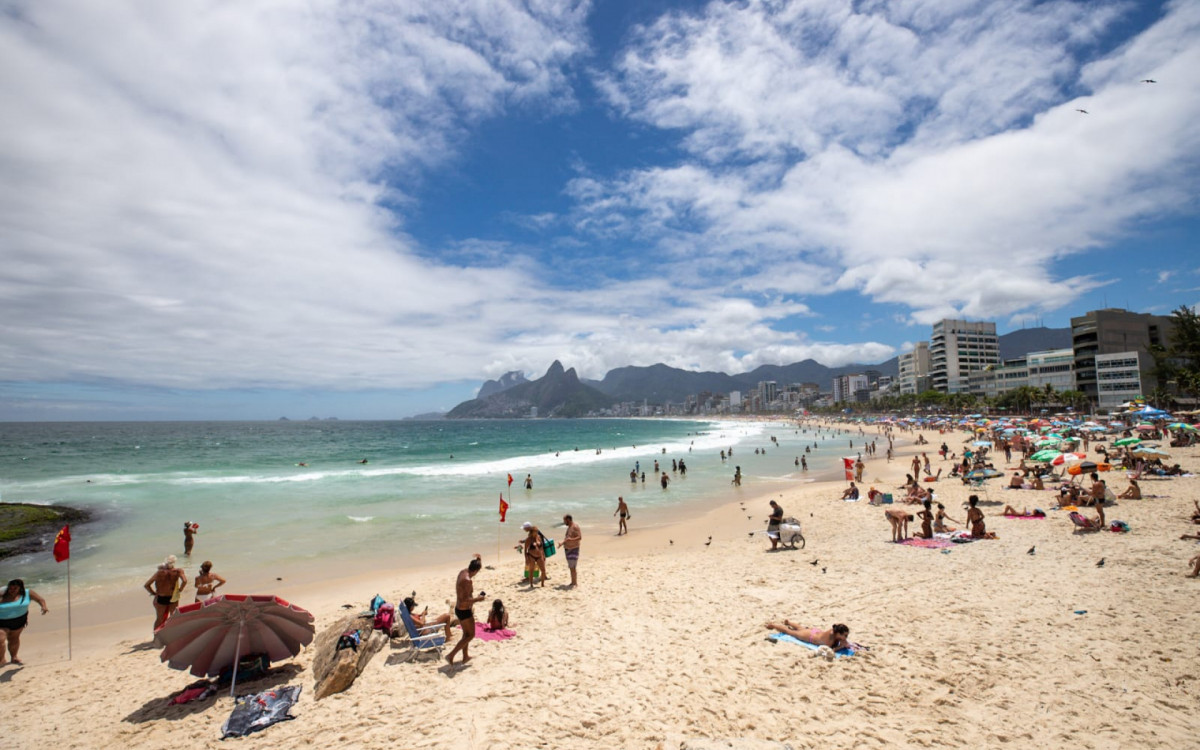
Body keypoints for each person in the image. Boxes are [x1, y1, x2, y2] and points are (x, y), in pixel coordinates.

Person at [445, 555, 486, 665]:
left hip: (459, 609)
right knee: (470, 635)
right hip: (464, 611)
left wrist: (479, 560)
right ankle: (450, 655)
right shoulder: (468, 581)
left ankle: (465, 656)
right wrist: (478, 598)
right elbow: (465, 600)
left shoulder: (463, 572)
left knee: (465, 635)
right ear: (476, 571)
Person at [0, 579, 48, 667]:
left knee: (14, 639)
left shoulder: (27, 593)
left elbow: (40, 599)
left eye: (15, 588)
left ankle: (14, 657)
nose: (12, 590)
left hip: (19, 621)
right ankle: (1, 659)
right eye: (10, 588)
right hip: (1, 621)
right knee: (0, 638)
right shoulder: (2, 595)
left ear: (20, 588)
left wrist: (44, 607)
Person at [144, 555, 187, 632]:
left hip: (161, 597)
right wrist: (180, 589)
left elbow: (147, 585)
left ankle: (156, 636)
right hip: (173, 597)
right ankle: (171, 634)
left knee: (159, 619)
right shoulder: (178, 571)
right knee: (173, 617)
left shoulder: (159, 573)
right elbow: (184, 581)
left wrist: (153, 593)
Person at [764, 620, 850, 651]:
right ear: (838, 633)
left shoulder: (834, 632)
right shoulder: (830, 639)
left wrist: (843, 641)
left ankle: (789, 622)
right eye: (845, 636)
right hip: (810, 636)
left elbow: (842, 640)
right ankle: (774, 626)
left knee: (801, 628)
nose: (846, 638)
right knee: (789, 632)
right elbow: (831, 650)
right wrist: (840, 647)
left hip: (815, 632)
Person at [520, 522, 548, 587]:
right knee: (531, 570)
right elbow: (525, 550)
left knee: (543, 570)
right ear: (532, 532)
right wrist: (526, 559)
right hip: (531, 556)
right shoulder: (528, 539)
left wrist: (543, 555)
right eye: (535, 532)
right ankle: (531, 584)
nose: (536, 533)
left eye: (536, 532)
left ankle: (542, 584)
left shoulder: (539, 537)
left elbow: (541, 547)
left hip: (539, 555)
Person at [561, 515, 582, 587]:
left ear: (568, 520)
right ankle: (573, 582)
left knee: (573, 567)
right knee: (571, 567)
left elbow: (579, 537)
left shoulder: (575, 526)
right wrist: (562, 543)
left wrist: (571, 540)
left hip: (573, 548)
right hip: (568, 549)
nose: (564, 522)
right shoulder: (569, 527)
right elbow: (567, 538)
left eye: (565, 520)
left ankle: (574, 582)